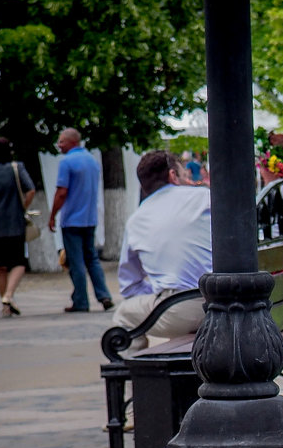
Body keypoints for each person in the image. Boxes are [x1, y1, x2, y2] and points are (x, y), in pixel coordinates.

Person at [112, 151, 212, 352]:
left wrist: (163, 291)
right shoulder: (205, 197)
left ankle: (136, 375)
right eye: (185, 174)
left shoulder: (136, 220)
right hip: (230, 299)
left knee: (124, 314)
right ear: (173, 176)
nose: (189, 179)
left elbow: (130, 286)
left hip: (183, 309)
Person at [49, 128, 113, 313]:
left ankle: (81, 302)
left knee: (76, 262)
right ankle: (104, 295)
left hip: (71, 220)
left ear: (72, 142)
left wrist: (52, 215)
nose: (59, 145)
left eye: (61, 142)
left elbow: (62, 192)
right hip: (89, 219)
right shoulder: (92, 161)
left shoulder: (67, 162)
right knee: (92, 258)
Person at [0, 137, 35, 317]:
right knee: (19, 263)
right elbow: (30, 190)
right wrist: (22, 207)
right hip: (13, 223)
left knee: (0, 266)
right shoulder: (16, 168)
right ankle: (9, 296)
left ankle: (5, 306)